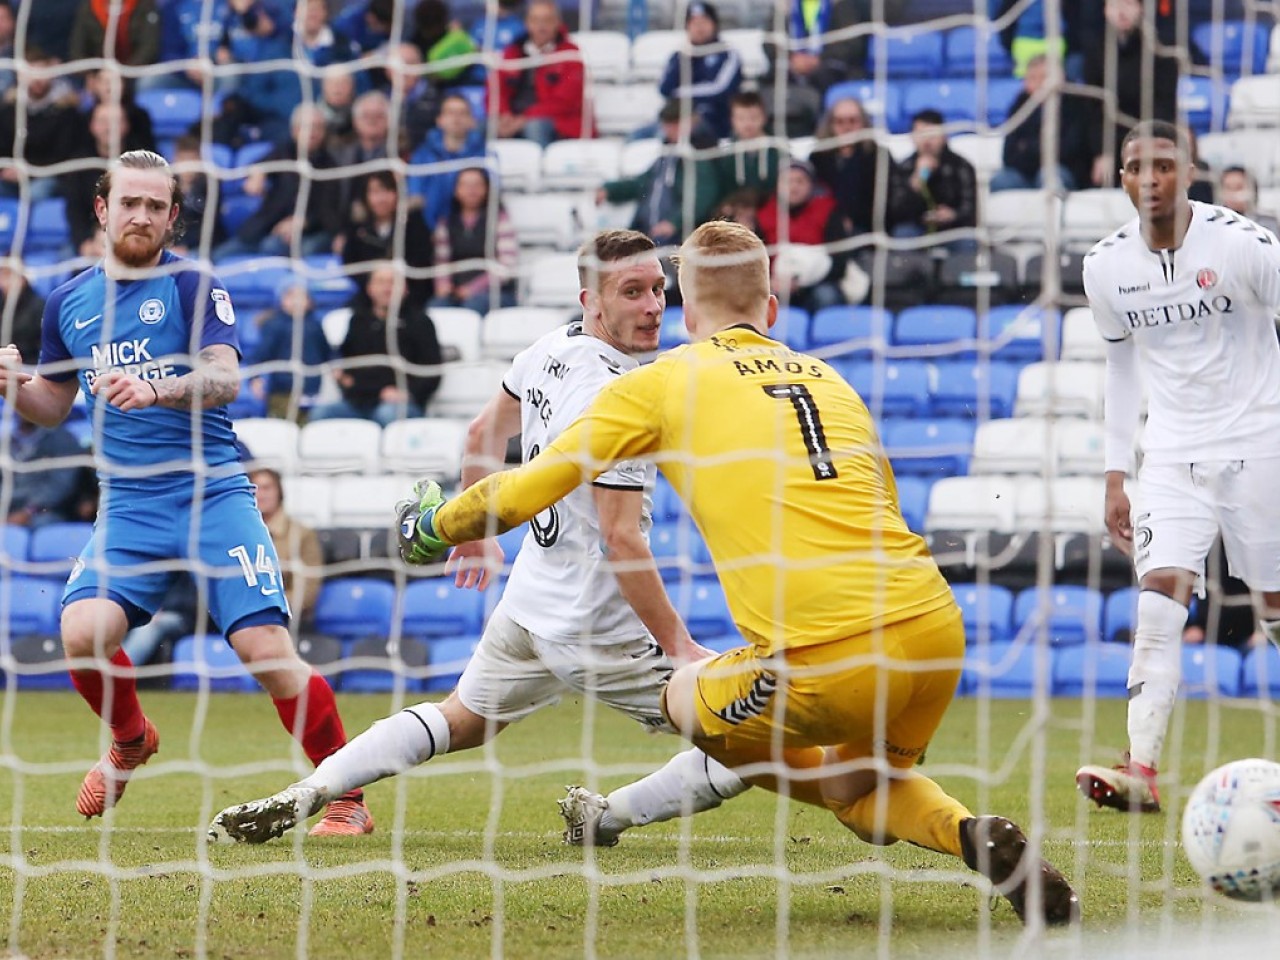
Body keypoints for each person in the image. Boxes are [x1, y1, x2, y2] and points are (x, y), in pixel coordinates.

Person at [382, 219, 1080, 927]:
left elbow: (524, 491)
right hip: (932, 633)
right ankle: (970, 833)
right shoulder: (832, 382)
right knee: (856, 796)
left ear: (686, 311)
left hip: (826, 656)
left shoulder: (662, 381)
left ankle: (614, 811)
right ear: (770, 308)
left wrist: (433, 528)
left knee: (682, 692)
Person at [208, 230, 760, 850]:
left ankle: (314, 789)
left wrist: (474, 535)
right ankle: (607, 816)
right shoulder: (618, 395)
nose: (654, 306)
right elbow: (620, 540)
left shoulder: (550, 347)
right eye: (632, 292)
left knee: (461, 721)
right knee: (756, 737)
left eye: (659, 289)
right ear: (591, 301)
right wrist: (679, 646)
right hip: (599, 629)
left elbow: (482, 432)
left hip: (528, 608)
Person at [0, 150, 372, 835]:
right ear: (102, 209)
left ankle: (346, 796)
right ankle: (131, 739)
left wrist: (157, 388)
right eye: (129, 203)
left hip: (213, 495)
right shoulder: (68, 302)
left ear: (172, 217)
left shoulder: (194, 284)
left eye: (156, 206)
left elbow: (225, 378)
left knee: (264, 650)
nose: (141, 216)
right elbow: (52, 405)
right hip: (129, 505)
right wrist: (14, 387)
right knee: (81, 632)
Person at [1075, 120, 1280, 814]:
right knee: (1159, 602)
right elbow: (1120, 364)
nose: (1151, 179)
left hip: (1260, 443)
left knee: (1274, 610)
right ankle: (1140, 770)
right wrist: (1115, 473)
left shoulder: (1245, 245)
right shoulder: (1105, 266)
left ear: (1188, 172)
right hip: (1169, 454)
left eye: (1164, 166)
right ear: (1123, 178)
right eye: (1138, 167)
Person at [309, 263, 442, 426]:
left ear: (405, 288)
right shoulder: (358, 321)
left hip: (399, 404)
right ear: (369, 288)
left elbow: (432, 370)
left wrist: (408, 393)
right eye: (380, 282)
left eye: (392, 282)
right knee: (322, 414)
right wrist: (344, 378)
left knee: (386, 414)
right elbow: (345, 362)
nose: (387, 288)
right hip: (360, 402)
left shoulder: (420, 322)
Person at [597, 100, 719, 249]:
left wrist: (674, 223)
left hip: (677, 235)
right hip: (648, 229)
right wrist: (609, 189)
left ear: (692, 122)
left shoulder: (700, 157)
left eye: (675, 124)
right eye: (668, 125)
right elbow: (642, 183)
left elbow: (702, 197)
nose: (670, 130)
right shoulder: (666, 155)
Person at [490, 0, 591, 147]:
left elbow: (565, 102)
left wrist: (524, 119)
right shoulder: (513, 51)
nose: (541, 26)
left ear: (557, 23)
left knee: (535, 127)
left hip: (557, 122)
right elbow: (495, 88)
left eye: (547, 20)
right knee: (482, 127)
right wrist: (504, 114)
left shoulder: (570, 54)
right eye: (535, 20)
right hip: (514, 118)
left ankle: (541, 162)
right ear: (527, 23)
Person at [756, 159, 846, 314]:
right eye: (788, 181)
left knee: (826, 296)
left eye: (800, 181)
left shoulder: (828, 211)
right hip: (776, 284)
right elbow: (756, 260)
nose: (794, 187)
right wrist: (771, 281)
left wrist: (800, 281)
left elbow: (840, 261)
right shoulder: (763, 216)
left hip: (818, 283)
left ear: (811, 185)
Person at [430, 167, 518, 315]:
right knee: (437, 306)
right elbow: (441, 261)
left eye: (477, 185)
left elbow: (507, 265)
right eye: (465, 185)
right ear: (456, 190)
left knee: (473, 306)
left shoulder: (499, 218)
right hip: (457, 291)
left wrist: (473, 288)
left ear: (487, 189)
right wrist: (443, 285)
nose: (471, 190)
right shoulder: (446, 222)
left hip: (495, 292)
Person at [339, 170, 434, 305]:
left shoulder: (413, 224)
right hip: (368, 299)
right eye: (375, 192)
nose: (381, 199)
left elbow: (422, 261)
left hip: (411, 298)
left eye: (387, 191)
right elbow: (350, 263)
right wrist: (375, 284)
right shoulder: (358, 229)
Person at [887, 109, 978, 241]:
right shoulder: (904, 168)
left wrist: (953, 215)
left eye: (932, 135)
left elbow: (970, 208)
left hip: (954, 229)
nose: (927, 141)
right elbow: (896, 212)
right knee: (902, 234)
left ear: (944, 136)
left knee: (967, 240)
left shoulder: (961, 166)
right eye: (921, 135)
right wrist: (915, 182)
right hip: (917, 228)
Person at [248, 277, 332, 420]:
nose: (296, 301)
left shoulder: (315, 325)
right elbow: (261, 354)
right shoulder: (274, 325)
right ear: (281, 300)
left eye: (301, 296)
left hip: (312, 391)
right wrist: (255, 378)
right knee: (285, 426)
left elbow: (327, 353)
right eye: (290, 295)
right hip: (283, 392)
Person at [658, 1, 741, 143]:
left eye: (704, 22)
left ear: (714, 24)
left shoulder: (727, 53)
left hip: (715, 119)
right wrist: (685, 57)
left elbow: (721, 89)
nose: (699, 27)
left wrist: (680, 93)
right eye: (694, 23)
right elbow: (665, 89)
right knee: (640, 135)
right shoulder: (680, 55)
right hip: (677, 117)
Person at [250, 467, 323, 629]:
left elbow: (307, 591)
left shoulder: (302, 534)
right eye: (255, 489)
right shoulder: (242, 533)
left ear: (279, 492)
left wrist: (267, 606)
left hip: (287, 619)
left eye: (267, 488)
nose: (260, 495)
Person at [407, 92, 487, 231]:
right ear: (439, 119)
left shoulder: (484, 155)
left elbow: (489, 195)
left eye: (462, 113)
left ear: (472, 121)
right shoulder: (422, 155)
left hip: (470, 231)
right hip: (427, 230)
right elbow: (415, 194)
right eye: (450, 112)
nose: (456, 118)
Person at [2, 418, 87, 527]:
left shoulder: (63, 439)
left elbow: (60, 485)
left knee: (44, 524)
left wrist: (28, 512)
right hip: (8, 508)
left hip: (45, 511)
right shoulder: (6, 439)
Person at [711, 91, 782, 222]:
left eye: (753, 118)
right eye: (741, 118)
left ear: (764, 117)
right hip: (735, 215)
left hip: (772, 213)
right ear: (732, 120)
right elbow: (721, 190)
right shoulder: (725, 154)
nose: (748, 124)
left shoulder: (778, 150)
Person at [1218, 165, 1280, 236]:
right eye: (1228, 187)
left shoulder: (1267, 223)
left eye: (1239, 187)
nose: (1233, 193)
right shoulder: (1214, 223)